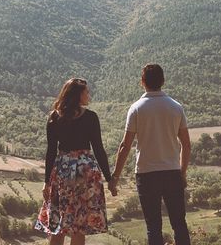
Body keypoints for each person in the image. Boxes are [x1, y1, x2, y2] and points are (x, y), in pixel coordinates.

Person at [108, 64, 191, 245]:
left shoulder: (137, 108)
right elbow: (186, 144)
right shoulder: (176, 107)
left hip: (146, 174)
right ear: (163, 81)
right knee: (179, 223)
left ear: (142, 82)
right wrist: (182, 172)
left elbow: (125, 146)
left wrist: (115, 177)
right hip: (172, 172)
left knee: (153, 226)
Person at [35, 78, 112, 245]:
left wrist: (46, 182)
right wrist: (110, 179)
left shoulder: (54, 117)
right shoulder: (91, 117)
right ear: (78, 95)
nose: (88, 95)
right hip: (85, 173)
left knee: (58, 223)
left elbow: (50, 152)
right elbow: (99, 150)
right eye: (86, 92)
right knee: (79, 225)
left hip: (62, 171)